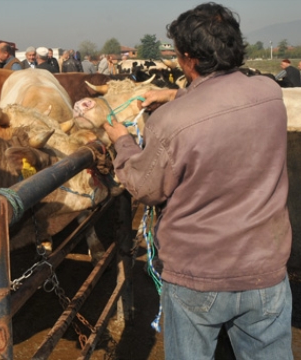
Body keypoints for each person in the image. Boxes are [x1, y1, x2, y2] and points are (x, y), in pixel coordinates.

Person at [103, 3, 292, 360]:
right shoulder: (270, 93)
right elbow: (222, 100)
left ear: (188, 58)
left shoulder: (171, 122)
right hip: (265, 268)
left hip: (198, 275)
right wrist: (171, 94)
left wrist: (121, 142)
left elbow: (145, 187)